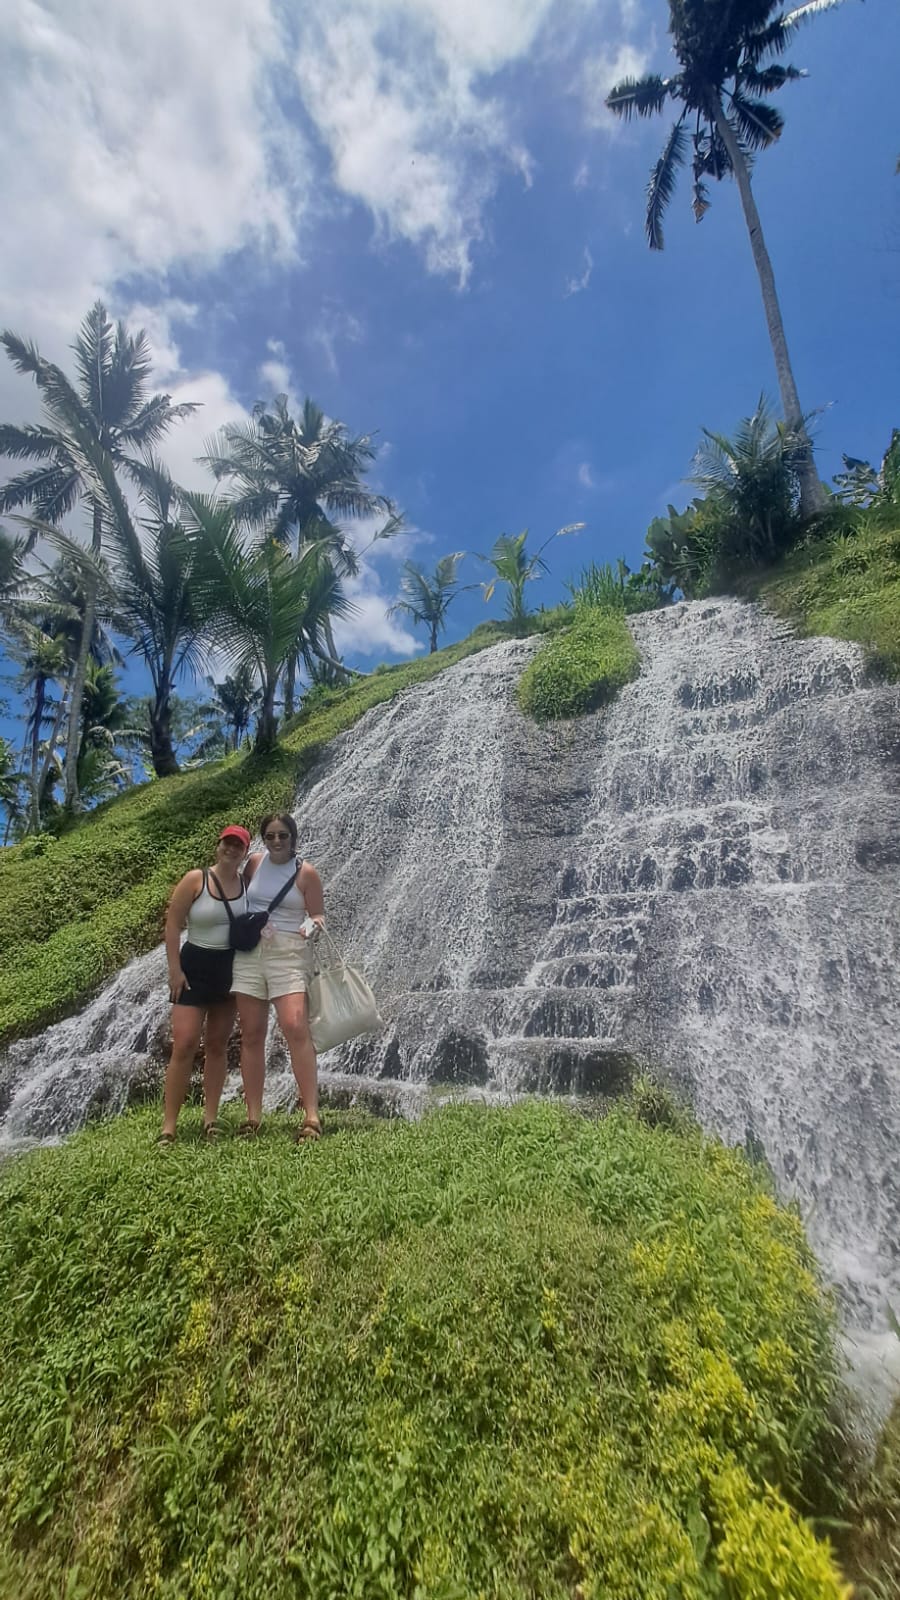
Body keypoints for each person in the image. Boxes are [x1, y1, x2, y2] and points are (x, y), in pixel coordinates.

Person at [232, 812, 325, 1142]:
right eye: (270, 835)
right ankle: (253, 1117)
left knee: (295, 1027)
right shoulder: (255, 864)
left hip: (289, 953)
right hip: (250, 954)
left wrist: (311, 925)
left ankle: (311, 1115)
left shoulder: (305, 872)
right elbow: (240, 899)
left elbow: (318, 914)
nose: (276, 841)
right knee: (251, 1034)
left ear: (293, 837)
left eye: (282, 835)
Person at [158, 825, 251, 1144]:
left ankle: (210, 1119)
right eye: (227, 843)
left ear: (245, 852)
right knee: (184, 1044)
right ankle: (169, 1126)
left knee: (217, 1045)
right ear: (218, 845)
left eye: (238, 845)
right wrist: (174, 971)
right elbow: (173, 925)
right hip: (194, 966)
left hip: (229, 968)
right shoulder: (196, 879)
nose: (231, 849)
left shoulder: (246, 884)